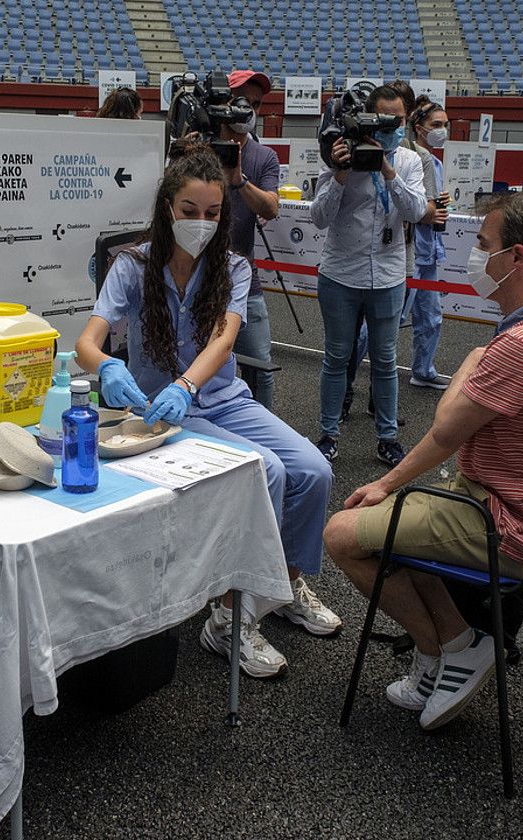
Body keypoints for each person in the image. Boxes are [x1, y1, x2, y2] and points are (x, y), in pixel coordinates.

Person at [323, 190, 523, 730]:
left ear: (517, 258)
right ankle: (449, 647)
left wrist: (470, 362)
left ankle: (450, 646)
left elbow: (445, 430)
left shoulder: (522, 345)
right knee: (397, 525)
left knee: (342, 534)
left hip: (506, 525)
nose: (473, 253)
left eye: (483, 244)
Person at [75, 147, 338, 679]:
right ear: (167, 208)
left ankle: (280, 584)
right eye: (190, 211)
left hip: (220, 398)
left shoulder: (233, 266)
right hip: (161, 411)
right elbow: (87, 341)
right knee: (267, 471)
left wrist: (188, 383)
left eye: (213, 213)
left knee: (314, 471)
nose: (201, 223)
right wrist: (106, 367)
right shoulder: (132, 266)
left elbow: (224, 339)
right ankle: (226, 616)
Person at [311, 83, 427, 468]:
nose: (392, 127)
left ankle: (387, 437)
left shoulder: (408, 161)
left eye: (399, 120)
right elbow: (319, 217)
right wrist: (341, 173)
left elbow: (415, 211)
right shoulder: (338, 153)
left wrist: (388, 171)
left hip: (389, 277)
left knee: (385, 360)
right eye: (384, 119)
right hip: (341, 274)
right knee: (336, 358)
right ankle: (328, 434)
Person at [221, 69, 281, 409]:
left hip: (246, 284)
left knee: (260, 367)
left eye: (257, 104)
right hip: (195, 281)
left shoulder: (264, 156)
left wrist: (239, 179)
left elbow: (271, 207)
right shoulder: (198, 146)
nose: (250, 111)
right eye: (243, 101)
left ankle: (264, 435)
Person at [407, 97, 452, 389]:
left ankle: (423, 370)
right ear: (418, 127)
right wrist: (429, 212)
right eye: (437, 125)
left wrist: (439, 205)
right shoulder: (410, 158)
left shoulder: (435, 162)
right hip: (410, 251)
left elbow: (430, 205)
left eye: (446, 125)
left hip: (430, 251)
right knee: (382, 321)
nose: (443, 130)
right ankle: (347, 373)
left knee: (432, 316)